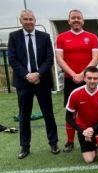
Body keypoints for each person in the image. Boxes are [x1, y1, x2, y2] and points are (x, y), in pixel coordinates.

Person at [8, 9, 60, 159]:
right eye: (25, 19)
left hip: (42, 81)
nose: (29, 22)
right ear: (21, 21)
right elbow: (12, 59)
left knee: (48, 114)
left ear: (35, 20)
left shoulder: (44, 37)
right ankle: (25, 147)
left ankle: (53, 143)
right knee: (24, 116)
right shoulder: (14, 37)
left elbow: (49, 58)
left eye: (31, 19)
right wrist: (27, 75)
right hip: (23, 83)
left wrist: (38, 74)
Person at [56, 9, 98, 153]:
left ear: (83, 21)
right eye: (73, 18)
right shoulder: (61, 37)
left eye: (78, 18)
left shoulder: (92, 37)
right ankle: (70, 141)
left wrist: (83, 74)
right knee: (71, 113)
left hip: (89, 80)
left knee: (93, 110)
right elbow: (59, 59)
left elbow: (95, 58)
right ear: (69, 21)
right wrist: (73, 74)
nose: (76, 20)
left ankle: (97, 138)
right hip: (70, 80)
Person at [66, 66, 98, 165]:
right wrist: (83, 131)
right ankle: (97, 141)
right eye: (89, 78)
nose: (92, 81)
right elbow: (68, 118)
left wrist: (93, 129)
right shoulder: (75, 93)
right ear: (84, 78)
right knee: (89, 159)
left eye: (95, 78)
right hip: (84, 128)